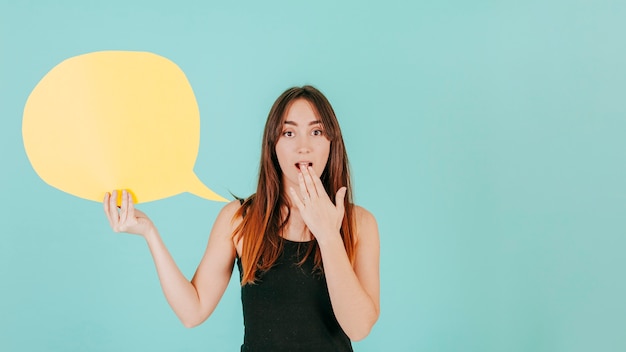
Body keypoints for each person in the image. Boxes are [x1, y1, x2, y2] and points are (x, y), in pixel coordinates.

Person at [103, 85, 380, 351]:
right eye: (289, 133)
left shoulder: (360, 224)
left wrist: (328, 234)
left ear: (332, 143)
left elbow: (359, 328)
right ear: (273, 144)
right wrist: (150, 233)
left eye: (316, 131)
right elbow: (193, 311)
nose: (303, 146)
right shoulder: (239, 219)